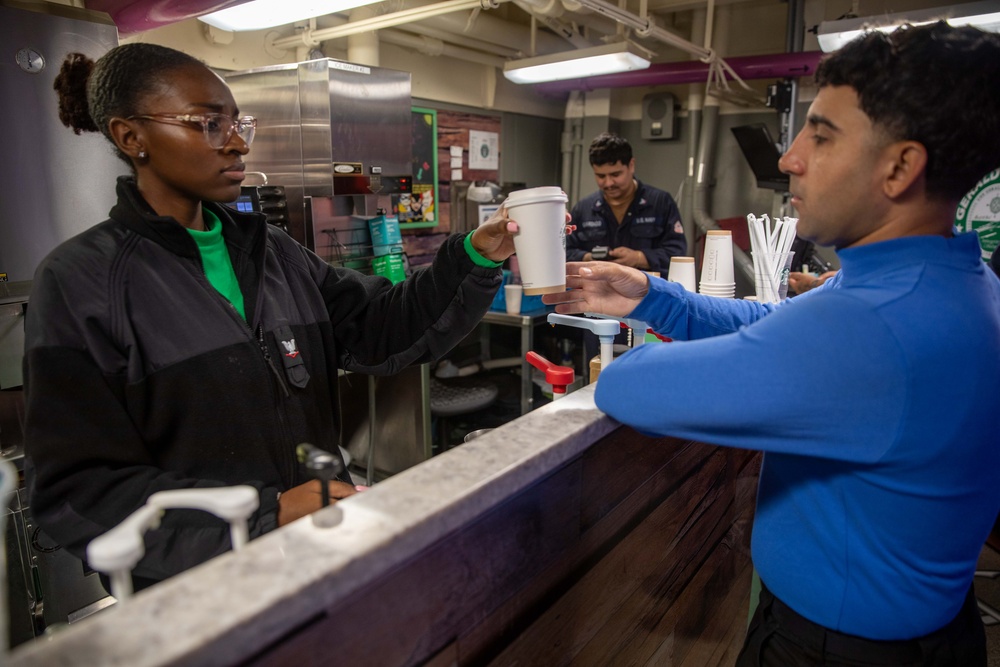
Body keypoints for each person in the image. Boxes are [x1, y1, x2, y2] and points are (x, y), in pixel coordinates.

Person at [545, 22, 1000, 667]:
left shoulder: (872, 328)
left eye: (821, 134)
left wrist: (641, 343)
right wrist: (652, 295)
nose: (790, 159)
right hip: (925, 632)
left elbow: (631, 385)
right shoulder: (951, 281)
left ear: (900, 167)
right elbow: (774, 326)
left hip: (839, 651)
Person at [25, 43, 518, 591]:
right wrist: (266, 515)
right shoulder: (82, 282)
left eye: (238, 123)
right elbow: (80, 489)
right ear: (130, 136)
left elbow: (384, 329)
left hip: (312, 554)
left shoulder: (273, 252)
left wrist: (475, 254)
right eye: (208, 124)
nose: (237, 143)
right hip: (196, 591)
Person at [565, 132, 686, 273]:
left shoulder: (660, 203)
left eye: (616, 175)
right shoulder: (583, 209)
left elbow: (678, 253)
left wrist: (639, 258)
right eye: (601, 176)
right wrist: (589, 258)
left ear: (631, 165)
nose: (609, 183)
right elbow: (564, 252)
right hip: (598, 290)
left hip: (647, 292)